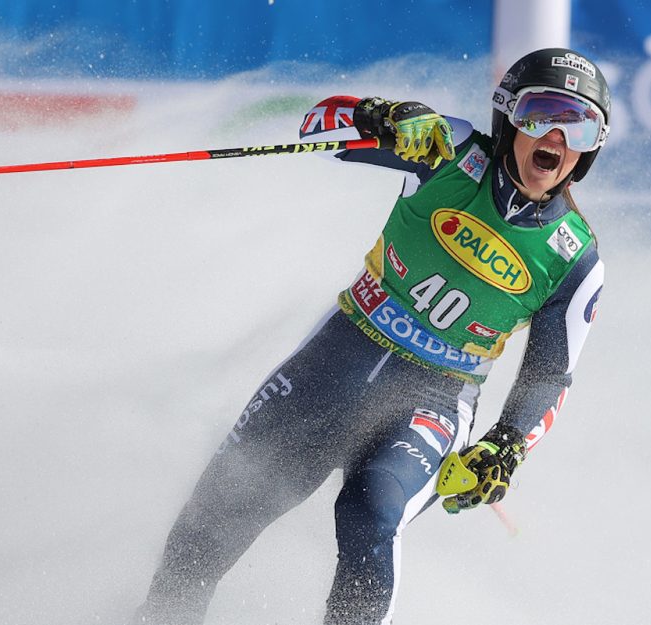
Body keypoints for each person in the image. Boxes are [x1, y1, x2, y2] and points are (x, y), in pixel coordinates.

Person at [133, 47, 610, 625]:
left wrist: (505, 446)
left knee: (369, 515)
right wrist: (380, 116)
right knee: (213, 521)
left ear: (589, 149)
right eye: (540, 114)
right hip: (330, 368)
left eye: (578, 125)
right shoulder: (450, 149)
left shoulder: (575, 257)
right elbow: (317, 127)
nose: (556, 137)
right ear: (509, 117)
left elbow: (549, 375)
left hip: (431, 405)